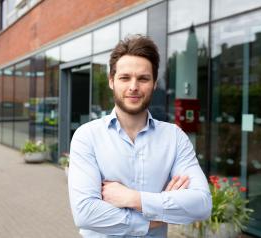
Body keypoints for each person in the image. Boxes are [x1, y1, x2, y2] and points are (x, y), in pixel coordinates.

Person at [68, 35, 212, 237]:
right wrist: (159, 214)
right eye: (125, 77)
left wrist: (133, 198)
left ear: (154, 83)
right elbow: (85, 214)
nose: (134, 86)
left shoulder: (175, 137)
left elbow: (202, 204)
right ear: (111, 81)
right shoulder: (87, 136)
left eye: (143, 78)